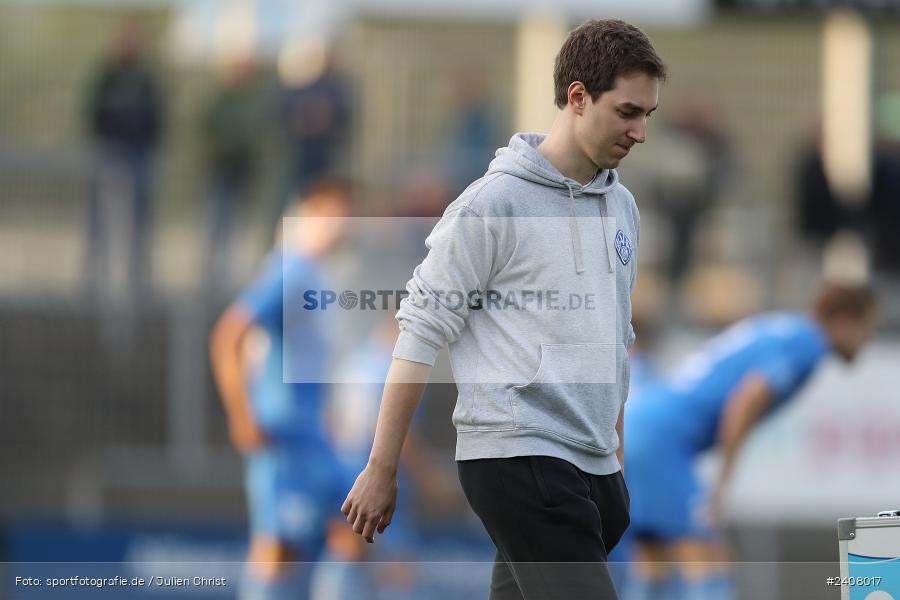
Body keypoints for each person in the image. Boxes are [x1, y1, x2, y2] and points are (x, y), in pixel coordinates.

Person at [341, 19, 667, 600]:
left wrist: (613, 459)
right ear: (576, 96)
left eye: (647, 115)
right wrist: (382, 467)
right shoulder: (492, 205)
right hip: (520, 458)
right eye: (627, 112)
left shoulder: (623, 208)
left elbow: (617, 340)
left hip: (595, 472)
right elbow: (418, 333)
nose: (640, 131)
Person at [622, 283, 878, 600]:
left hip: (642, 422)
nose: (868, 339)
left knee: (655, 557)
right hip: (664, 440)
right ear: (844, 322)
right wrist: (723, 483)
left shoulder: (786, 327)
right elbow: (745, 401)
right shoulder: (807, 345)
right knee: (709, 557)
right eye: (867, 327)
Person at [209, 178, 351, 600]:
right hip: (283, 438)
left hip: (313, 438)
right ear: (311, 213)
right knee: (277, 551)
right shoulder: (289, 270)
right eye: (337, 212)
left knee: (350, 536)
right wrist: (242, 415)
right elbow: (229, 335)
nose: (345, 225)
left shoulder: (316, 275)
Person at [83, 20, 163, 298]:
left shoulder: (145, 80)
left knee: (139, 221)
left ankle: (138, 282)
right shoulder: (106, 77)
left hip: (140, 155)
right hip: (109, 154)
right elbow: (91, 113)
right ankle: (92, 280)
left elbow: (157, 116)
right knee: (100, 220)